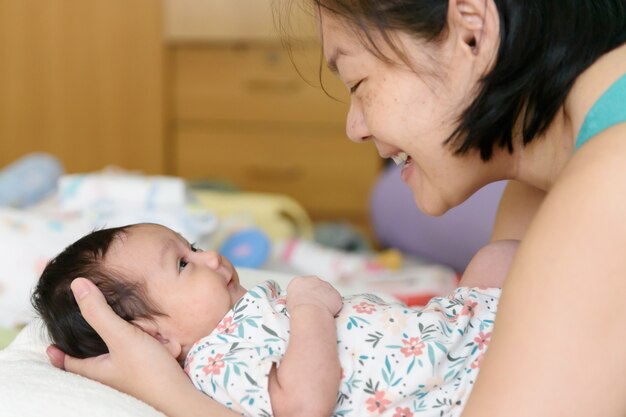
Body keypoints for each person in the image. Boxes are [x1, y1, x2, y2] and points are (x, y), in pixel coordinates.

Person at [46, 0, 626, 416]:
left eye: (356, 80)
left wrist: (170, 397)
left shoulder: (602, 192)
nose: (353, 127)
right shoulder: (553, 176)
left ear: (472, 29)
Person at [34, 223, 516, 417]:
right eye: (183, 264)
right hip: (451, 384)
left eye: (194, 249)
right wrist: (306, 306)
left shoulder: (240, 313)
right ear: (154, 337)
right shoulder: (215, 363)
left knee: (499, 256)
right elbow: (304, 405)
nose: (211, 257)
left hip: (445, 333)